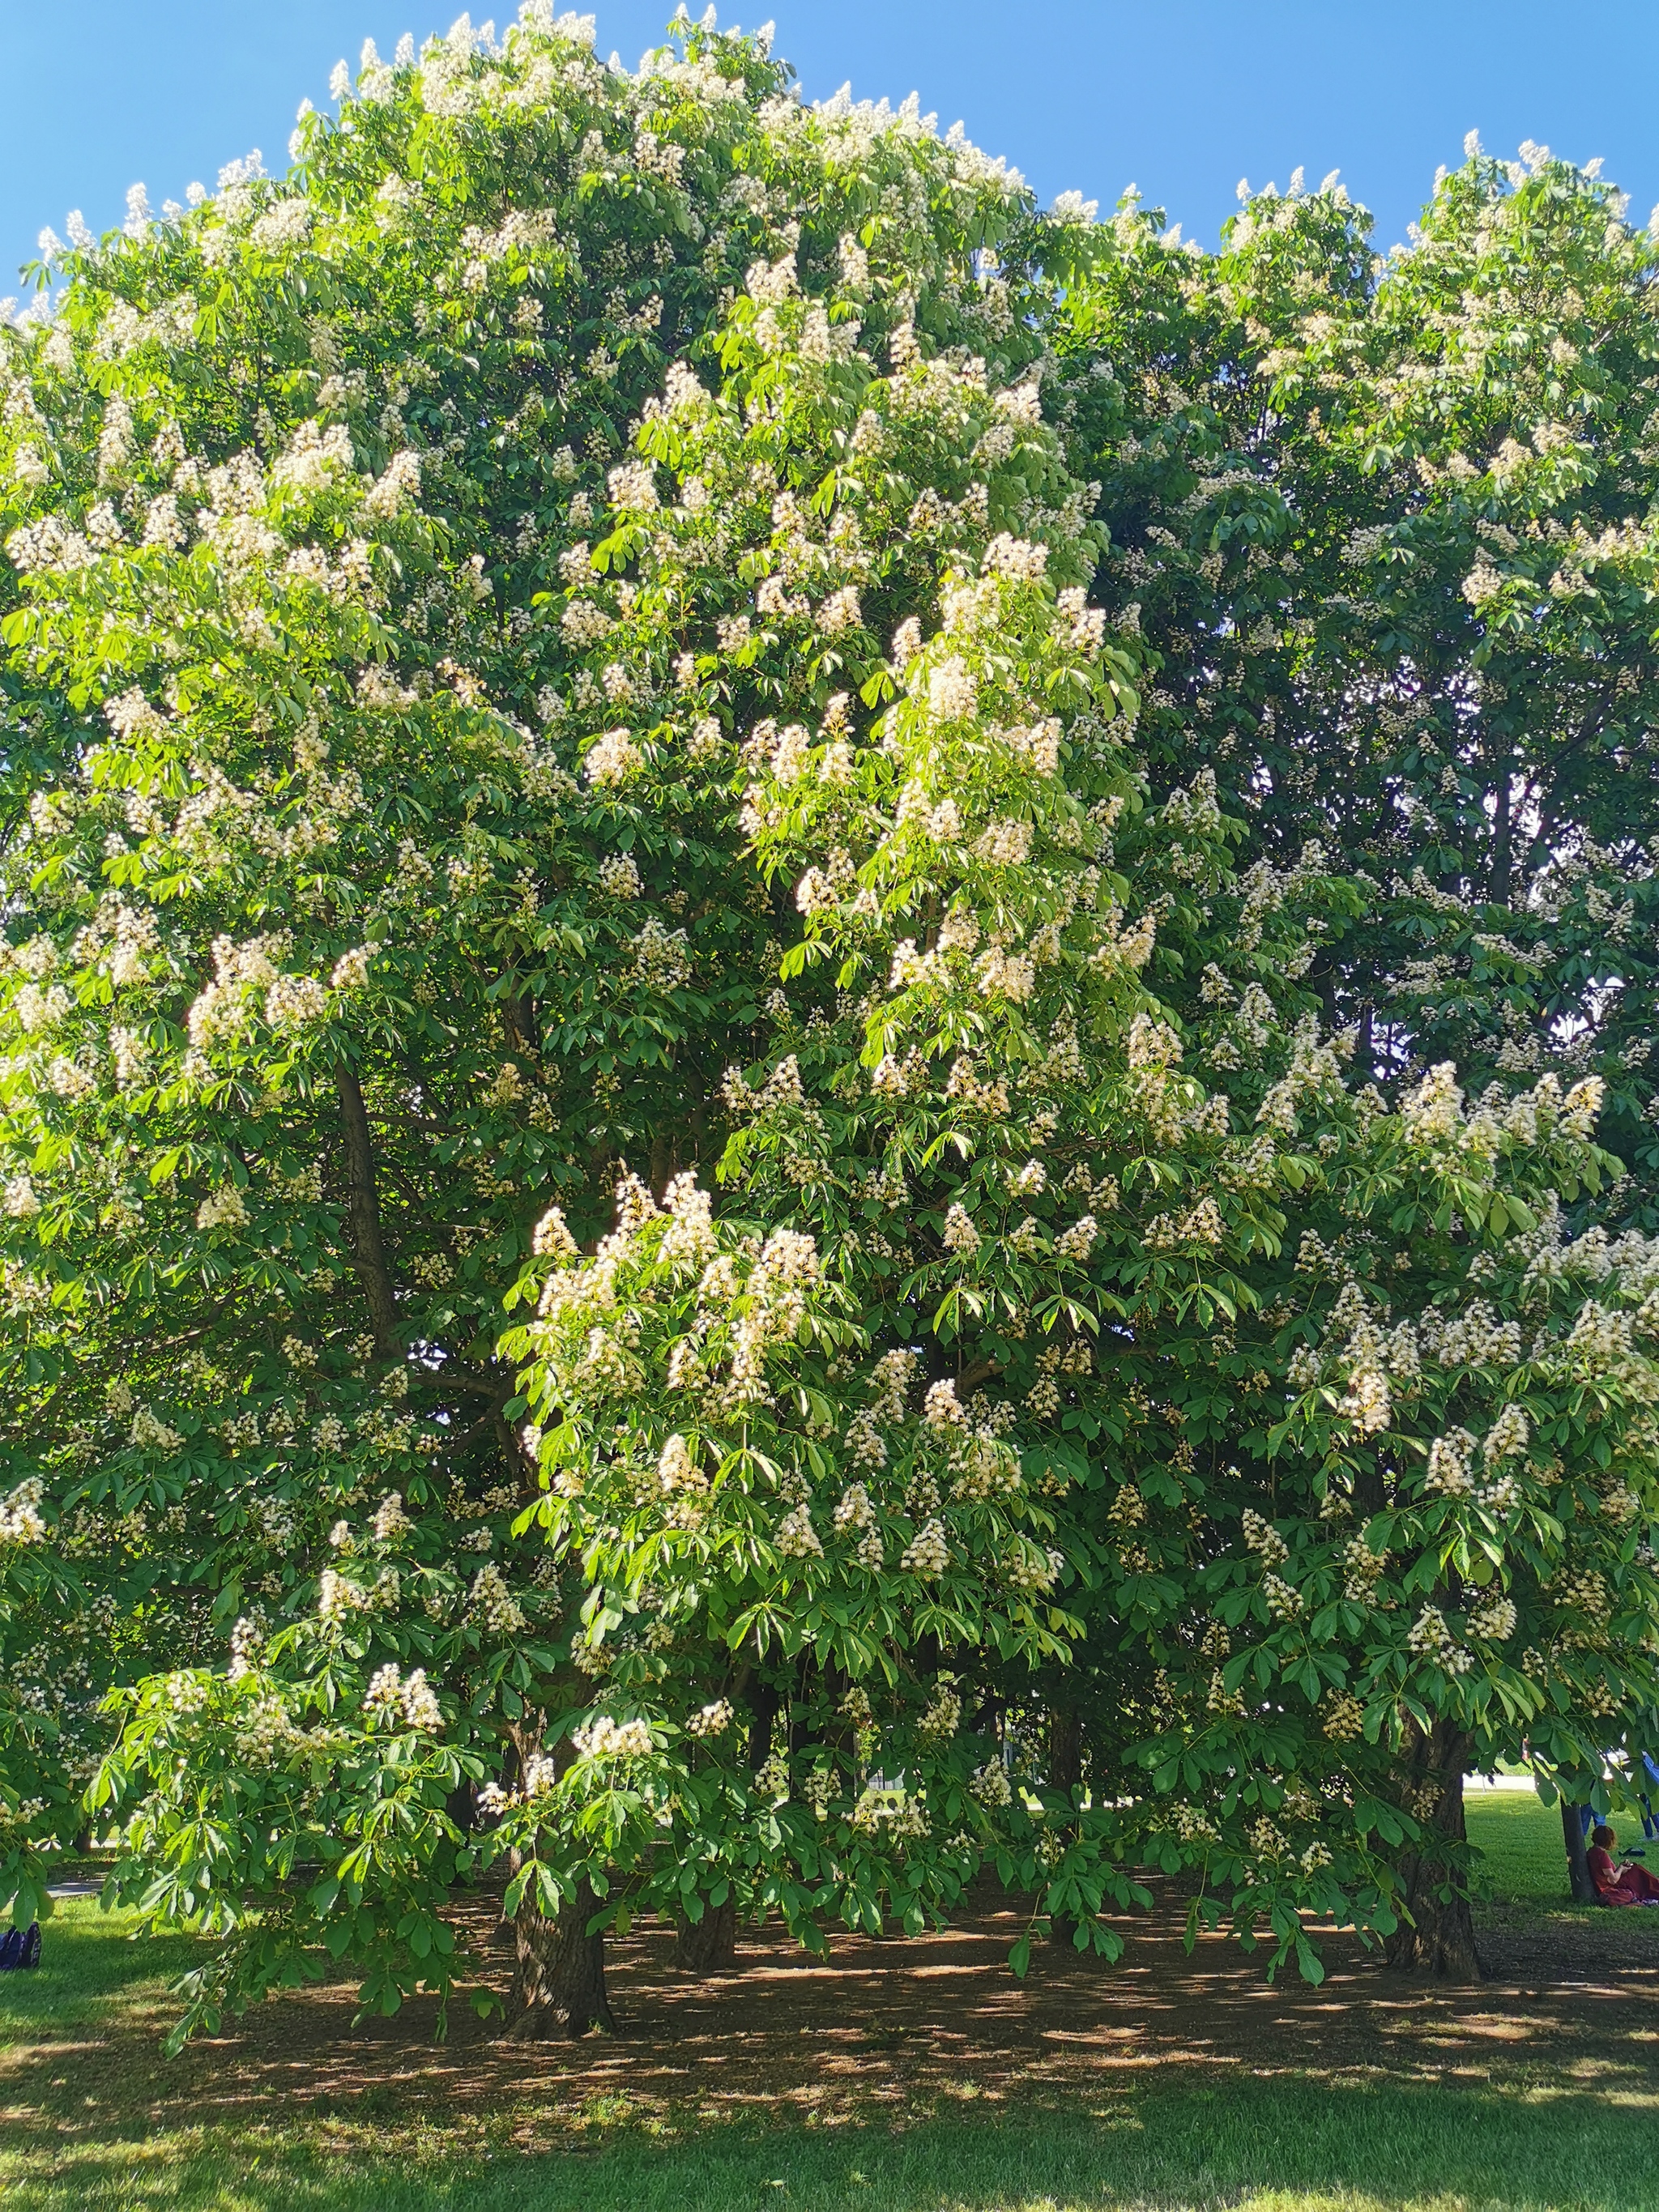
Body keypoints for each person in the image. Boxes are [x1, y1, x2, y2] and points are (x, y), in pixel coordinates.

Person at [1586, 1825, 1659, 1906]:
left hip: (1608, 1883)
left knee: (1635, 1868)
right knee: (1638, 1872)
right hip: (1609, 1886)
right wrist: (1620, 1869)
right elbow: (1613, 1880)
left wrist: (1622, 1867)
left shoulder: (1592, 1851)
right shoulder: (1601, 1856)